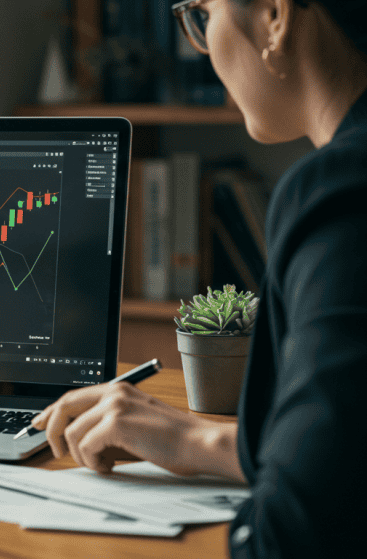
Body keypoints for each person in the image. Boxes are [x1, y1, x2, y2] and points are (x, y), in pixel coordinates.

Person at [28, 0, 367, 557]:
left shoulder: (341, 190)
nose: (204, 48)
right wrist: (197, 439)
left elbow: (292, 535)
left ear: (275, 17)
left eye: (203, 14)